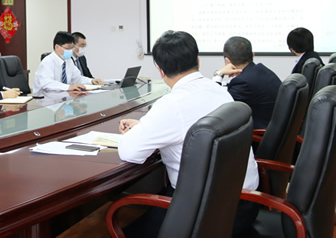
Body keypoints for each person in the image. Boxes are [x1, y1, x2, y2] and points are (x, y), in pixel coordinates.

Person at [118, 31, 259, 237]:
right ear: (198, 60)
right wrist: (147, 125)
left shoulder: (171, 105)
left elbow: (130, 152)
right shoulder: (219, 90)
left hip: (205, 214)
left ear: (160, 70)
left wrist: (140, 129)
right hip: (244, 204)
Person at [212, 36, 281, 129]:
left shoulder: (243, 82)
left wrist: (219, 74)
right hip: (273, 127)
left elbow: (216, 108)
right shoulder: (261, 70)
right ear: (253, 55)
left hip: (259, 134)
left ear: (227, 61)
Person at [33, 31, 104, 93]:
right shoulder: (47, 62)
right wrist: (69, 87)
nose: (70, 51)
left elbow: (77, 78)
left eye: (72, 48)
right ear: (57, 47)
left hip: (63, 96)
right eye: (67, 48)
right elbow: (47, 84)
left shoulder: (68, 61)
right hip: (45, 98)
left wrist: (91, 81)